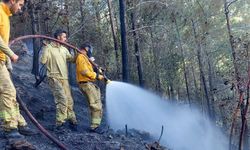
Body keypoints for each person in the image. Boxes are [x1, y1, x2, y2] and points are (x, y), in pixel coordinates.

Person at [0, 0, 36, 139]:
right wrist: (11, 54)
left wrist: (7, 61)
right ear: (13, 0)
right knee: (8, 91)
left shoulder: (5, 15)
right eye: (20, 4)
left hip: (1, 61)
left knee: (10, 92)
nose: (20, 8)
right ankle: (10, 128)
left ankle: (19, 123)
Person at [40, 29, 78, 131]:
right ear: (58, 37)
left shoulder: (64, 49)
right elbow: (43, 61)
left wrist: (77, 53)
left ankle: (72, 120)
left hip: (64, 78)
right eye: (64, 37)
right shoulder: (48, 48)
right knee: (62, 99)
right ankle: (59, 124)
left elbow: (72, 59)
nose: (66, 39)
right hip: (54, 78)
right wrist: (44, 48)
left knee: (69, 100)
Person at [76, 44, 105, 133]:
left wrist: (99, 70)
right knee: (96, 105)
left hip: (88, 84)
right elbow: (84, 71)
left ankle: (95, 125)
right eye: (89, 50)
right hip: (86, 84)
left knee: (96, 105)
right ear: (86, 49)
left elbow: (89, 69)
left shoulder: (85, 58)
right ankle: (95, 127)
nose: (90, 52)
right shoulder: (81, 57)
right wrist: (96, 76)